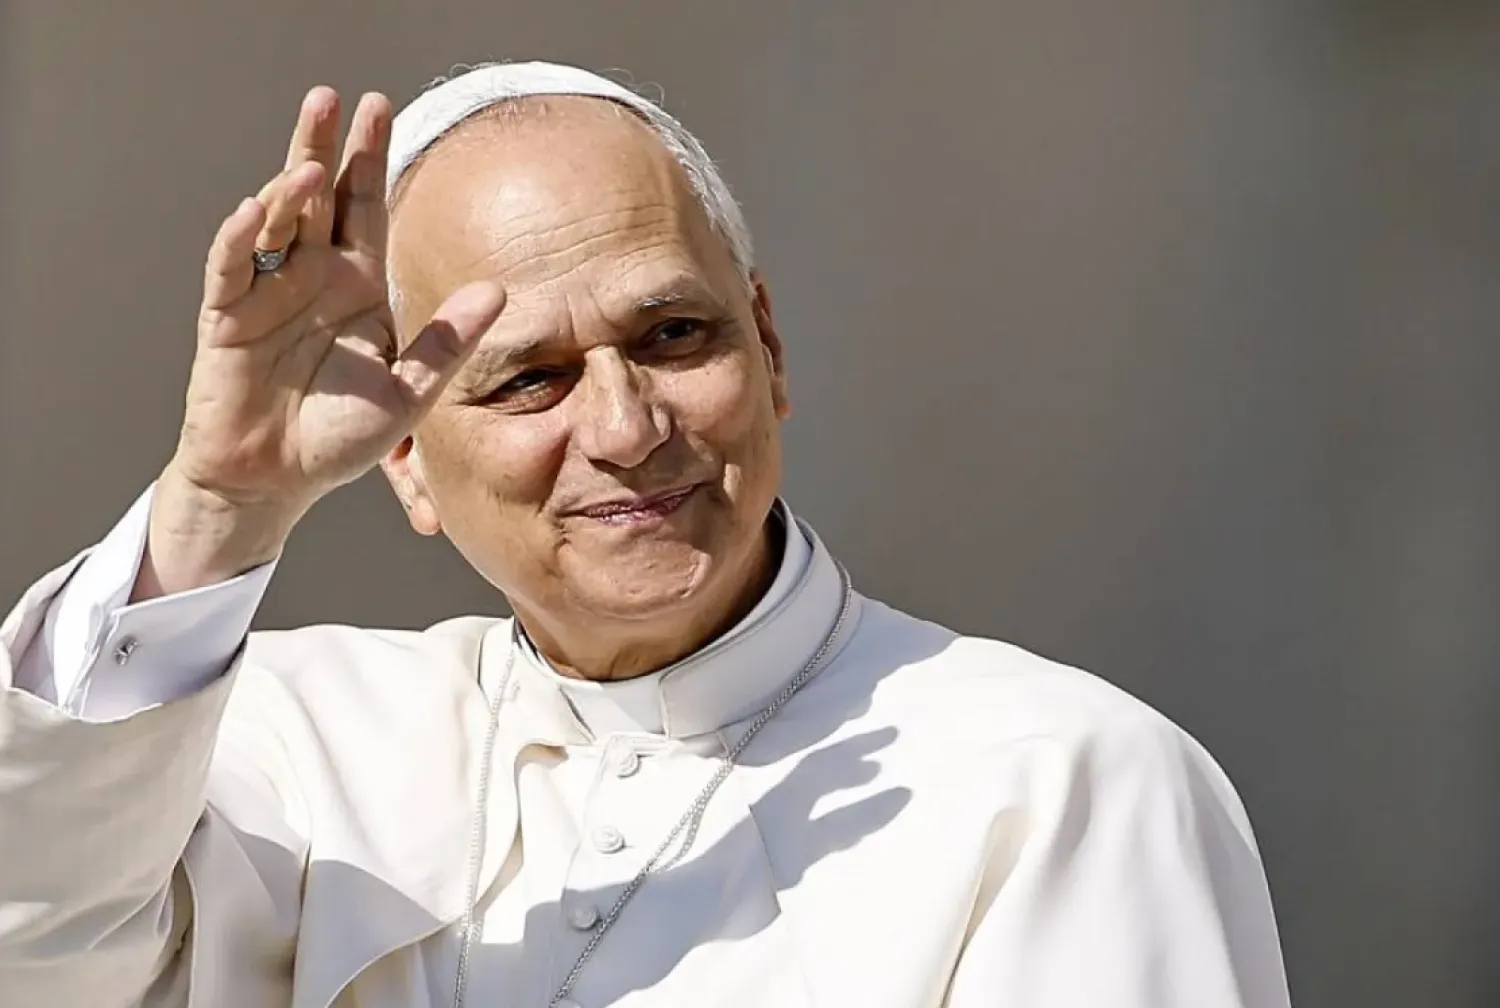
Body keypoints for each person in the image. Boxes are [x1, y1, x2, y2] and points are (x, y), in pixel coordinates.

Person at [0, 61, 1292, 1008]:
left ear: (768, 346)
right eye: (529, 380)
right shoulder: (286, 747)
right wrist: (222, 504)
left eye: (674, 336)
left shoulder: (1064, 780)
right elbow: (34, 954)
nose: (626, 427)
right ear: (405, 458)